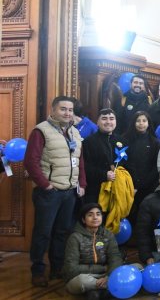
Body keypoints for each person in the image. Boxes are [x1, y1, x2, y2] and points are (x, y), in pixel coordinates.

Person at [24, 96, 86, 287]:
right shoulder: (41, 131)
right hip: (49, 193)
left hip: (69, 192)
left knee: (61, 232)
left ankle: (57, 269)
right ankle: (38, 270)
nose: (67, 113)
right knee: (43, 232)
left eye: (70, 110)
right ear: (53, 110)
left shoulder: (75, 132)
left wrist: (81, 183)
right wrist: (46, 185)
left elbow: (80, 161)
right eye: (63, 109)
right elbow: (30, 162)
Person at [63, 203, 123, 299]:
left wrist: (108, 276)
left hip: (105, 275)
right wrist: (103, 269)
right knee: (82, 281)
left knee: (136, 267)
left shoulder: (107, 234)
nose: (95, 217)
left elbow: (115, 257)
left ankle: (96, 292)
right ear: (83, 219)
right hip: (83, 277)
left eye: (98, 214)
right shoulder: (75, 237)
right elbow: (71, 268)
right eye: (90, 215)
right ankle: (107, 289)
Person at [122, 111, 160, 225]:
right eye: (138, 121)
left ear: (148, 123)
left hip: (149, 185)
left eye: (144, 121)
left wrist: (142, 184)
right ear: (133, 123)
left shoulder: (155, 142)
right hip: (129, 184)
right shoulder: (124, 140)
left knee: (146, 215)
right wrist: (133, 183)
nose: (141, 124)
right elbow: (125, 162)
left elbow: (156, 166)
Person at [82, 108, 124, 206]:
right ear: (97, 122)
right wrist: (104, 174)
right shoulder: (88, 142)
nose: (108, 122)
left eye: (111, 118)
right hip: (95, 190)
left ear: (116, 122)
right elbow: (85, 167)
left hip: (118, 189)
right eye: (104, 118)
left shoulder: (122, 140)